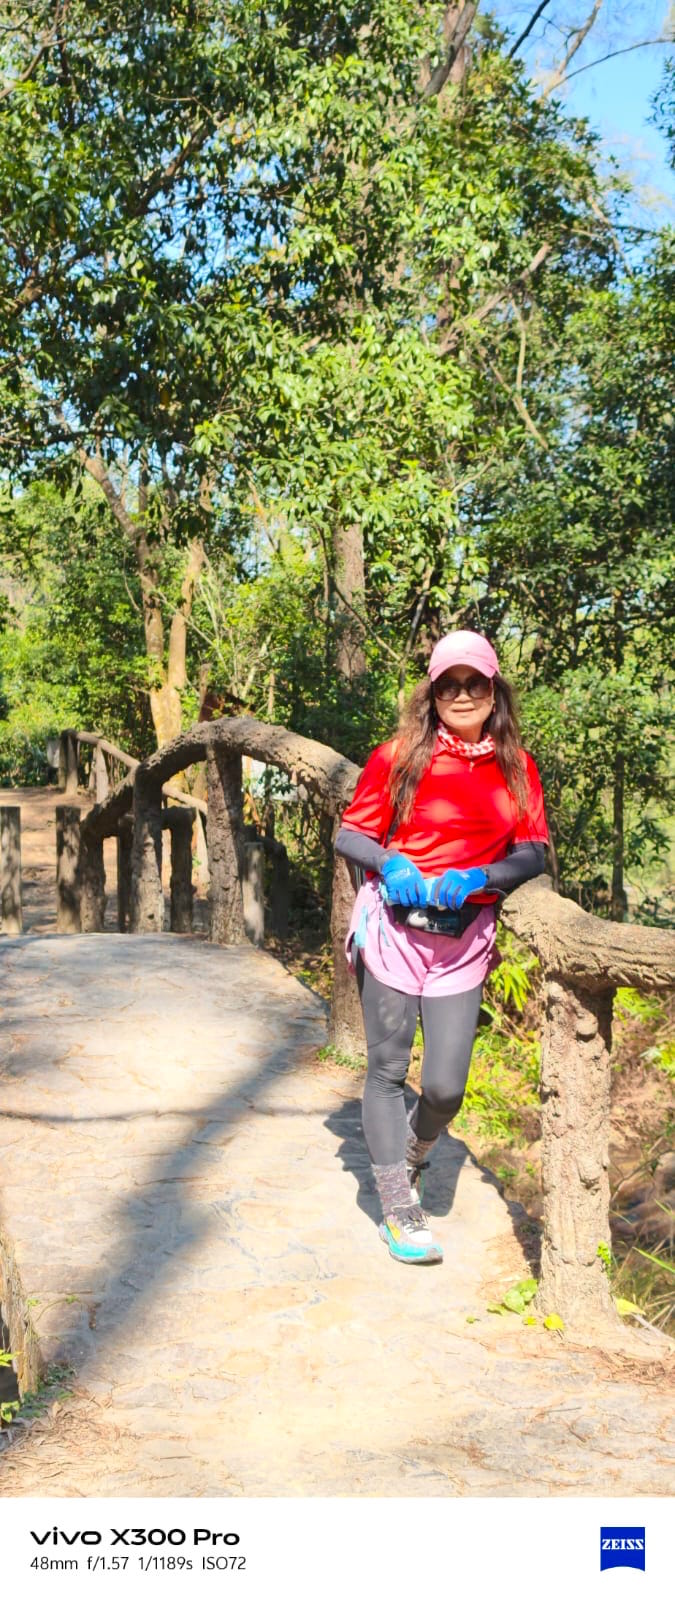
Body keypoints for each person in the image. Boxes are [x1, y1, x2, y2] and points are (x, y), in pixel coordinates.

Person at [334, 629, 548, 1265]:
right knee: (386, 1069)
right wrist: (391, 862)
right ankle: (399, 1208)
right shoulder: (398, 756)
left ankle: (411, 1153)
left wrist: (484, 876)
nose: (461, 694)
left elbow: (532, 851)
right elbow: (352, 834)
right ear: (431, 693)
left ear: (493, 691)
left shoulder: (516, 766)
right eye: (448, 684)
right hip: (394, 929)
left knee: (446, 1087)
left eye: (474, 682)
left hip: (464, 938)